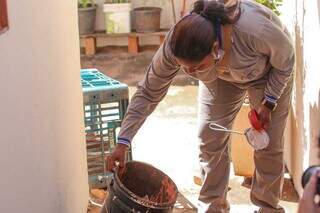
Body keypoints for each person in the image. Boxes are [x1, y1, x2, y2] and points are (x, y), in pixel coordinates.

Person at [106, 0, 295, 212]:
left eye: (196, 67)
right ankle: (213, 207)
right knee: (209, 137)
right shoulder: (176, 44)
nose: (190, 73)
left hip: (267, 73)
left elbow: (286, 61)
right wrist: (123, 142)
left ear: (215, 48)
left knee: (266, 142)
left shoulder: (255, 31)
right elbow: (148, 92)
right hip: (219, 76)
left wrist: (269, 102)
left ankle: (267, 207)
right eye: (184, 68)